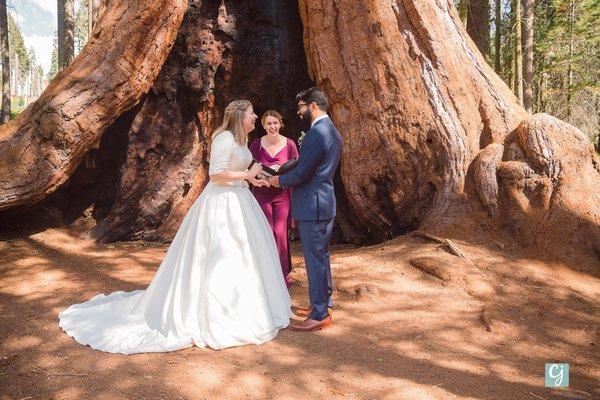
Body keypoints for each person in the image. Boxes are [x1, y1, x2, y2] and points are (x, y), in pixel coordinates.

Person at [58, 100, 292, 354]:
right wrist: (247, 175)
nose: (255, 117)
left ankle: (246, 308)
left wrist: (253, 178)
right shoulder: (223, 138)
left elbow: (236, 170)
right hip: (220, 204)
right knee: (218, 257)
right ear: (238, 116)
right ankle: (210, 314)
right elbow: (216, 175)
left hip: (241, 200)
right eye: (251, 113)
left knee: (245, 257)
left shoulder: (241, 141)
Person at [269, 88, 342, 332]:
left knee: (315, 260)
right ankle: (323, 304)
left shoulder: (316, 133)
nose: (299, 112)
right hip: (324, 202)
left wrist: (277, 181)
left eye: (301, 107)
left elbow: (304, 172)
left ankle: (320, 313)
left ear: (312, 106)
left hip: (313, 205)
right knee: (321, 257)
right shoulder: (332, 130)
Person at [249, 110, 299, 288]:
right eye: (268, 123)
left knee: (279, 231)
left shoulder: (290, 144)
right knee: (267, 231)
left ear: (280, 124)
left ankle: (284, 273)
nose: (272, 126)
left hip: (282, 194)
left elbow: (297, 167)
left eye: (275, 123)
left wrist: (282, 170)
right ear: (263, 125)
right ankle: (266, 272)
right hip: (262, 192)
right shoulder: (256, 144)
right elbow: (250, 165)